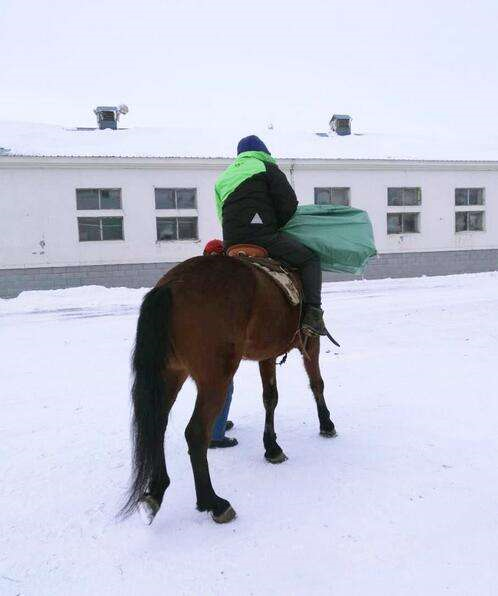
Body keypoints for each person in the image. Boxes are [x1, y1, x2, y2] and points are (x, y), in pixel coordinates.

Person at [214, 135, 326, 336]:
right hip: (263, 238)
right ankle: (312, 315)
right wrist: (275, 225)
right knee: (310, 259)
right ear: (264, 152)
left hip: (231, 243)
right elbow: (289, 204)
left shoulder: (223, 178)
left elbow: (220, 215)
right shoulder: (267, 168)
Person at [203, 238, 238, 448]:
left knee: (211, 386)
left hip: (201, 344)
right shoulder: (222, 280)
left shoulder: (199, 276)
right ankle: (215, 435)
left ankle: (218, 422)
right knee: (224, 386)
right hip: (216, 344)